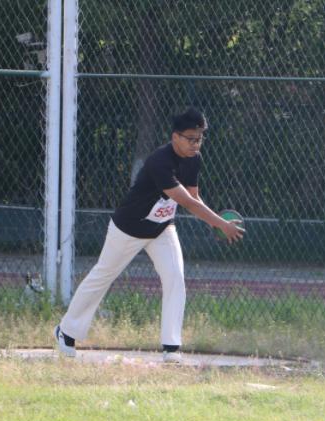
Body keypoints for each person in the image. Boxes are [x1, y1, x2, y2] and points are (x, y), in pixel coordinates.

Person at [54, 108, 244, 363]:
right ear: (175, 137)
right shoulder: (159, 162)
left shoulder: (194, 159)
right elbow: (187, 202)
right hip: (128, 228)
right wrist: (221, 223)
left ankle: (171, 348)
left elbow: (194, 197)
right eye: (191, 138)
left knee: (175, 278)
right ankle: (66, 331)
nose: (196, 144)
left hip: (162, 229)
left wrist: (215, 223)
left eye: (199, 139)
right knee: (103, 276)